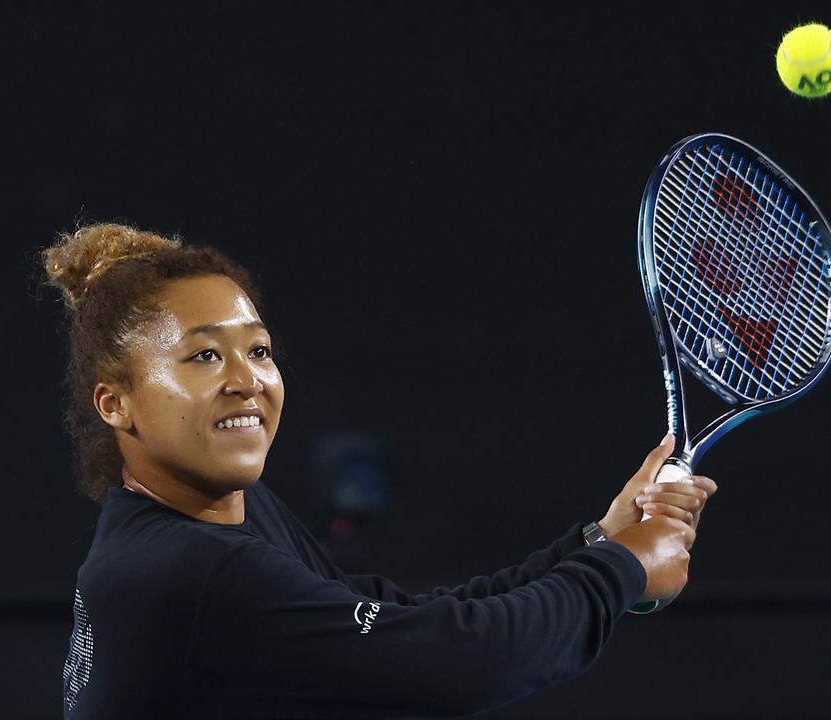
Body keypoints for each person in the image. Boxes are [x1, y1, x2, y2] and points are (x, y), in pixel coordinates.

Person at [40, 222, 717, 719]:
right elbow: (455, 663)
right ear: (116, 402)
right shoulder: (189, 571)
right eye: (205, 357)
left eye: (260, 350)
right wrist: (623, 569)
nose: (248, 381)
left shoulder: (221, 518)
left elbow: (397, 617)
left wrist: (599, 542)